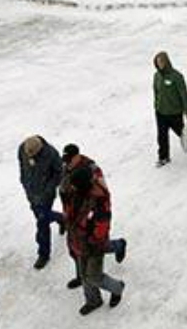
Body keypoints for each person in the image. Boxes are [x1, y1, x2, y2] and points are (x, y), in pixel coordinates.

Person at [60, 145, 127, 290]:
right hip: (77, 226)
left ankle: (118, 245)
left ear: (77, 156)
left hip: (90, 234)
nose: (66, 163)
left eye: (69, 159)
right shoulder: (68, 170)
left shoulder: (92, 171)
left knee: (95, 252)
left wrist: (92, 238)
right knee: (75, 252)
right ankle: (82, 277)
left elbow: (100, 221)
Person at [64, 166, 125, 315]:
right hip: (78, 240)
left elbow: (102, 225)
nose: (71, 186)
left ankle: (117, 287)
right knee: (85, 275)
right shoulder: (75, 192)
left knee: (94, 276)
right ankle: (93, 300)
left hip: (93, 245)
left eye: (74, 184)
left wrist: (93, 241)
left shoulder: (98, 200)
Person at [17, 135, 65, 270]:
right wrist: (24, 182)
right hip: (31, 194)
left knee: (42, 223)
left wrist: (48, 190)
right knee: (42, 217)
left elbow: (59, 173)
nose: (29, 156)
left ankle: (43, 254)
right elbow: (22, 165)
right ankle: (62, 218)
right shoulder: (22, 149)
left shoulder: (51, 154)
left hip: (45, 196)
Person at [152, 52, 187, 167]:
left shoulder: (176, 76)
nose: (159, 64)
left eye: (162, 62)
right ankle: (163, 157)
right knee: (162, 136)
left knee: (182, 132)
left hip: (174, 112)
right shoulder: (156, 76)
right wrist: (156, 104)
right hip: (160, 112)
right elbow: (156, 91)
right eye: (158, 62)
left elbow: (184, 93)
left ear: (167, 62)